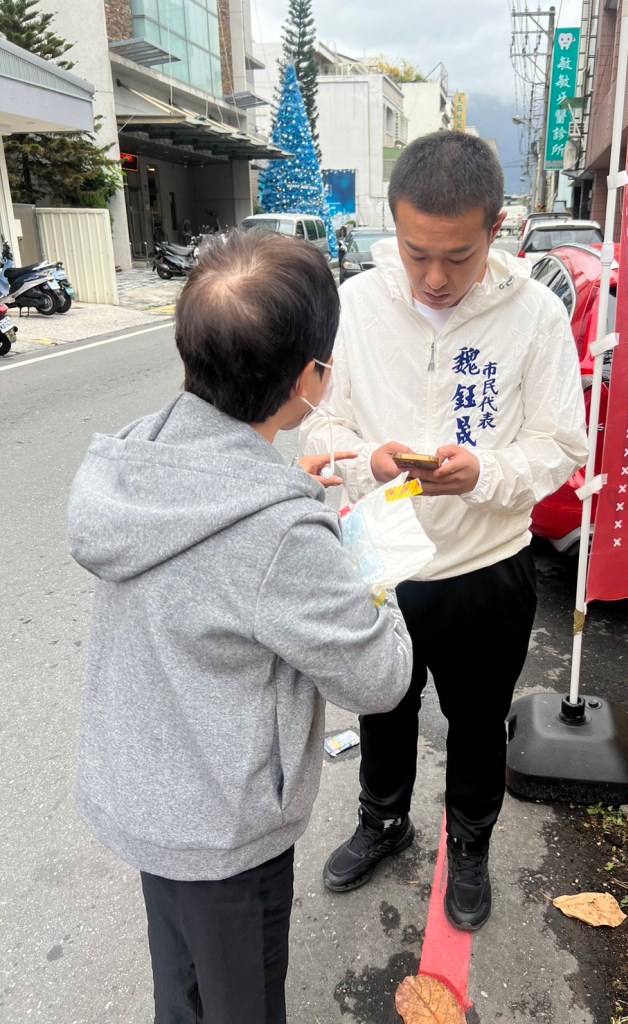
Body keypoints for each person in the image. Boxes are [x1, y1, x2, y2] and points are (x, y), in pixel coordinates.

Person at [67, 229, 413, 1024]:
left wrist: (283, 485)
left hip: (149, 799)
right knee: (241, 1005)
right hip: (225, 829)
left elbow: (220, 542)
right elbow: (380, 679)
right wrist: (370, 566)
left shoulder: (139, 457)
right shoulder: (280, 535)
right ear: (310, 378)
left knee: (181, 992)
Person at [301, 131, 589, 932]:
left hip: (486, 566)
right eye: (415, 252)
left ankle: (468, 842)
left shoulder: (535, 317)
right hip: (382, 562)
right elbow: (317, 429)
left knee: (478, 719)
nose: (433, 277)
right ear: (392, 226)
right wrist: (368, 461)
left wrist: (485, 473)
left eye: (457, 256)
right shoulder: (356, 306)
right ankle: (383, 820)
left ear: (496, 230)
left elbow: (562, 446)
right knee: (382, 707)